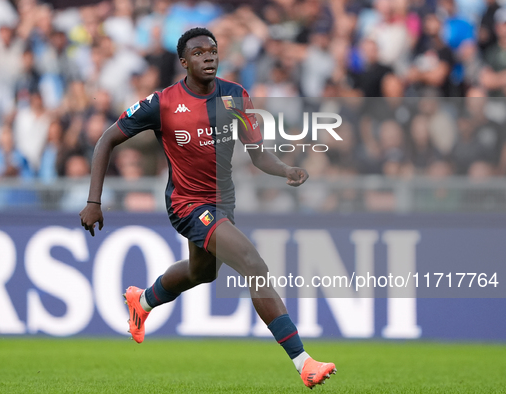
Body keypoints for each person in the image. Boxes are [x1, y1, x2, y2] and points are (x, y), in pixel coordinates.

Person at [79, 27, 336, 389]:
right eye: (199, 53)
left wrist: (284, 169)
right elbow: (107, 139)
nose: (209, 57)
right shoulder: (162, 103)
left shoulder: (235, 96)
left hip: (222, 203)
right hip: (187, 203)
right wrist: (93, 201)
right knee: (253, 264)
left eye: (212, 51)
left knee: (203, 273)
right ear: (184, 63)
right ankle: (304, 362)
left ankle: (144, 300)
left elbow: (257, 153)